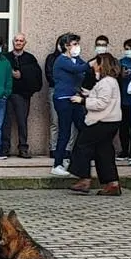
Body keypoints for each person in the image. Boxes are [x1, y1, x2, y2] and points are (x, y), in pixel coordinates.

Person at [68, 53, 122, 195]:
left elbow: (101, 103)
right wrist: (88, 94)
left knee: (82, 145)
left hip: (101, 121)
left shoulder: (106, 82)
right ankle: (112, 183)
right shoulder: (110, 81)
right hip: (110, 120)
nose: (94, 67)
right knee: (104, 151)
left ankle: (84, 179)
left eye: (96, 64)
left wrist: (83, 101)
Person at [50, 34, 88, 176]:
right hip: (63, 99)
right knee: (64, 131)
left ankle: (73, 159)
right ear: (66, 46)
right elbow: (78, 69)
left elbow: (83, 71)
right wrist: (93, 63)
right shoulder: (62, 60)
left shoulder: (77, 60)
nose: (77, 47)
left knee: (83, 128)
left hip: (75, 98)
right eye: (74, 44)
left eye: (77, 43)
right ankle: (57, 164)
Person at [2, 33, 42, 159]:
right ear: (13, 42)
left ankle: (23, 148)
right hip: (7, 94)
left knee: (22, 122)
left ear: (25, 43)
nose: (18, 43)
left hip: (22, 95)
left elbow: (36, 76)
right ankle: (5, 148)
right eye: (16, 40)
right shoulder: (6, 57)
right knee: (5, 122)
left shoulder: (30, 58)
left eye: (21, 40)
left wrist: (22, 74)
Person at [117, 39, 131, 159]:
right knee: (123, 128)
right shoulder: (121, 62)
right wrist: (121, 75)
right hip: (123, 100)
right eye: (126, 49)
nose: (128, 51)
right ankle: (124, 150)